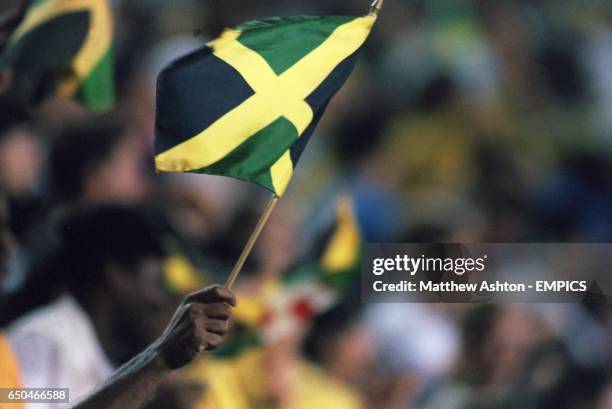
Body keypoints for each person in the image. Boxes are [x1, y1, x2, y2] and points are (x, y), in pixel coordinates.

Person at [2, 204, 236, 409]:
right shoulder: (42, 340)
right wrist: (158, 363)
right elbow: (14, 398)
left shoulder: (105, 348)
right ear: (117, 276)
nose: (162, 301)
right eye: (157, 284)